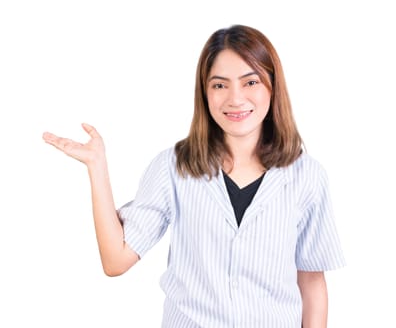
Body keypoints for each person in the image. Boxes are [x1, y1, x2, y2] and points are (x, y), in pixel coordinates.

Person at [43, 24, 346, 328]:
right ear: (205, 92)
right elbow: (115, 260)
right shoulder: (174, 167)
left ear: (272, 86)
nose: (235, 98)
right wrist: (97, 167)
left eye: (250, 82)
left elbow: (311, 281)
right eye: (219, 85)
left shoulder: (307, 176)